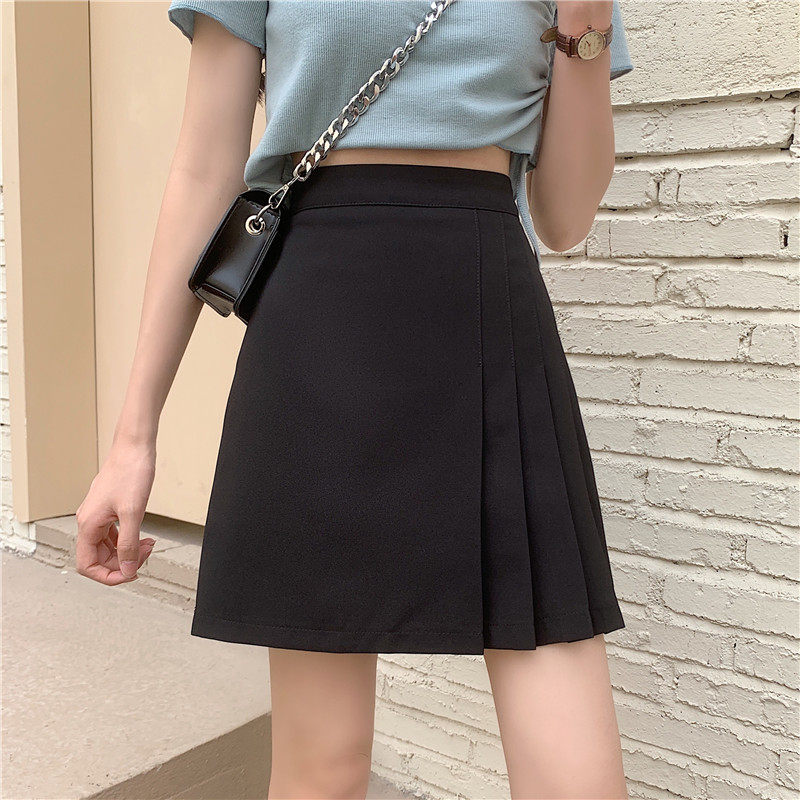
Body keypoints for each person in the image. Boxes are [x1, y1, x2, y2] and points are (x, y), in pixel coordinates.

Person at [75, 1, 635, 797]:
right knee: (323, 767)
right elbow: (203, 171)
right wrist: (133, 440)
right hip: (318, 329)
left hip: (490, 325)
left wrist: (586, 22)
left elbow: (566, 215)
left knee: (577, 780)